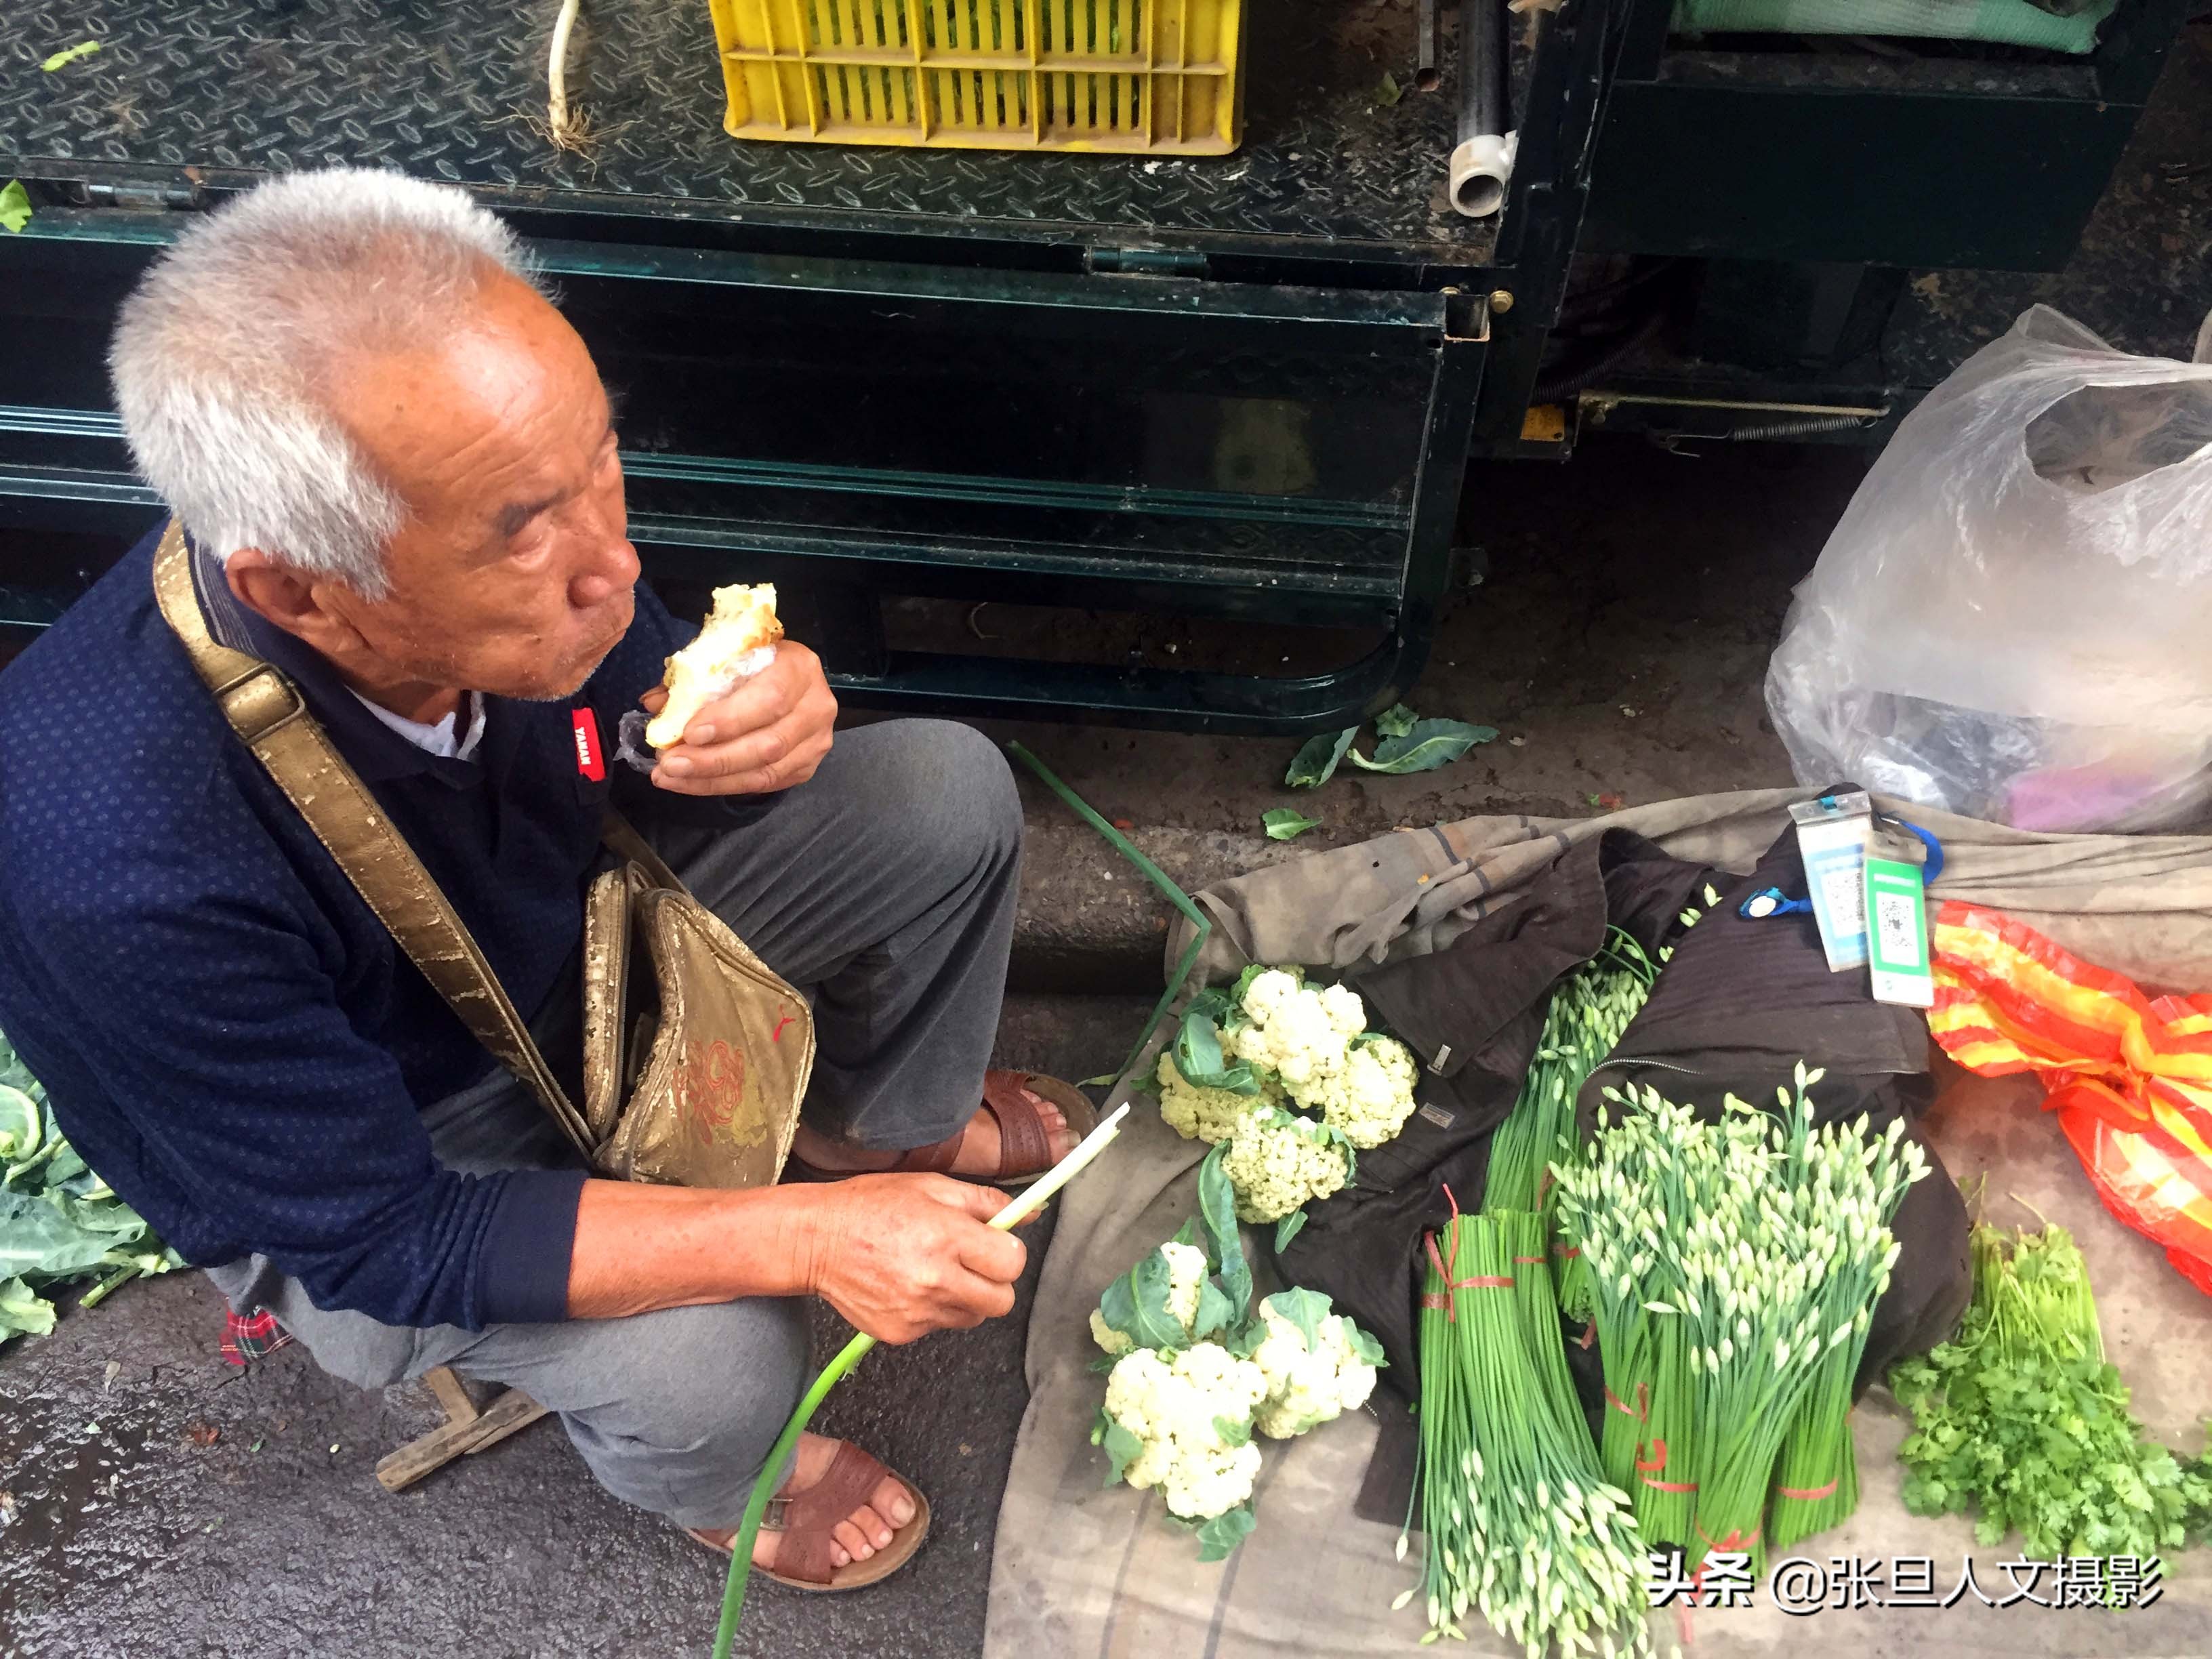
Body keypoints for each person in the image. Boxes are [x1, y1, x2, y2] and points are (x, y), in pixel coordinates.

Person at [0, 167, 1089, 1589]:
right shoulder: (112, 865)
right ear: (295, 593)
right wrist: (797, 1242)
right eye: (522, 528)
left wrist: (744, 720)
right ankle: (721, 1488)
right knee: (718, 1359)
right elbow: (390, 1236)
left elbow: (633, 711)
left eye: (603, 460)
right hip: (401, 1147)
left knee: (938, 790)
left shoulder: (516, 548)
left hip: (565, 949)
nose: (616, 559)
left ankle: (859, 1135)